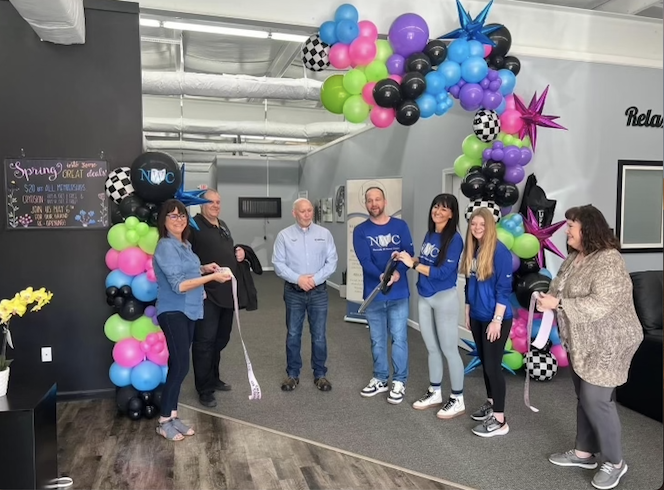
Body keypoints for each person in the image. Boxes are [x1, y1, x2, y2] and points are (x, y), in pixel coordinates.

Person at [538, 205, 643, 490]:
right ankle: (584, 453)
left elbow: (602, 304)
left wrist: (558, 303)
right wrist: (546, 296)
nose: (567, 230)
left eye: (571, 225)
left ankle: (615, 462)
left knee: (597, 400)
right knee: (584, 397)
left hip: (610, 340)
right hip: (580, 339)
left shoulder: (609, 261)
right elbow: (557, 286)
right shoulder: (575, 258)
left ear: (588, 229)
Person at [152, 199, 232, 441]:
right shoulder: (166, 246)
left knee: (180, 366)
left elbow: (187, 272)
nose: (179, 219)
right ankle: (164, 420)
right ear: (163, 221)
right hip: (173, 311)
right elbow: (179, 285)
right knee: (180, 366)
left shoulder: (184, 244)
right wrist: (212, 279)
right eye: (173, 216)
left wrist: (205, 268)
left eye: (182, 215)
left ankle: (172, 416)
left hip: (188, 310)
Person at [397, 194, 465, 418]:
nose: (438, 211)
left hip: (444, 297)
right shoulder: (430, 234)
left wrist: (413, 266)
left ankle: (457, 398)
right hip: (425, 296)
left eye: (444, 209)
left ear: (452, 214)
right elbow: (425, 262)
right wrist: (410, 259)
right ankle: (435, 391)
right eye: (436, 206)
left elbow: (443, 273)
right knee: (432, 348)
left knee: (449, 349)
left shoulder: (454, 240)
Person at [353, 187, 414, 404]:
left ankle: (399, 381)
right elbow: (365, 260)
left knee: (399, 338)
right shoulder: (360, 231)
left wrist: (398, 273)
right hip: (374, 295)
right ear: (366, 204)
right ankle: (380, 378)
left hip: (398, 294)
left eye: (377, 199)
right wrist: (382, 276)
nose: (374, 203)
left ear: (384, 201)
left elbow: (409, 255)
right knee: (377, 340)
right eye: (369, 200)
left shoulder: (400, 226)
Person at [272, 198, 338, 392]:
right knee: (293, 334)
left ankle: (320, 374)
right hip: (294, 292)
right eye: (303, 211)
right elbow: (278, 264)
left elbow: (332, 261)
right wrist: (299, 279)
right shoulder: (284, 236)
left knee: (319, 335)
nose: (307, 214)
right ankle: (293, 374)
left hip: (319, 292)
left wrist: (314, 280)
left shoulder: (324, 234)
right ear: (294, 213)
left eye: (310, 210)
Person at [189, 189, 246, 408]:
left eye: (218, 202)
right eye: (210, 202)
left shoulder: (222, 224)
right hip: (206, 294)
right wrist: (201, 269)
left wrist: (238, 252)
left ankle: (214, 377)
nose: (215, 205)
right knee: (204, 342)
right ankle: (204, 388)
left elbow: (224, 249)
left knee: (221, 339)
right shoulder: (193, 226)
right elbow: (186, 255)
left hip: (226, 294)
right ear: (201, 204)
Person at [460, 206, 513, 437]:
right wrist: (468, 309)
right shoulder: (473, 249)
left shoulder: (499, 252)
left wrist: (497, 321)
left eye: (482, 225)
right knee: (485, 362)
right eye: (474, 224)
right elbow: (469, 284)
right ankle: (491, 403)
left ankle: (500, 420)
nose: (477, 228)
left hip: (496, 318)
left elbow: (504, 289)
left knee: (493, 366)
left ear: (490, 226)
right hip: (477, 316)